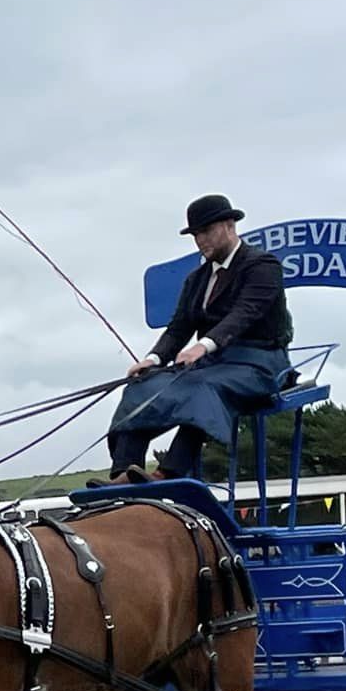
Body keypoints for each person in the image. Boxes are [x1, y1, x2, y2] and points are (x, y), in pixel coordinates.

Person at [93, 194, 293, 486]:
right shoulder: (196, 279)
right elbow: (179, 327)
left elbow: (244, 313)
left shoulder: (262, 266)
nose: (201, 240)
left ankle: (170, 473)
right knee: (142, 387)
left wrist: (203, 345)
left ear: (229, 225)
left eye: (206, 231)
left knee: (201, 389)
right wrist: (153, 359)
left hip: (259, 363)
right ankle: (124, 474)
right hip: (211, 364)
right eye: (196, 234)